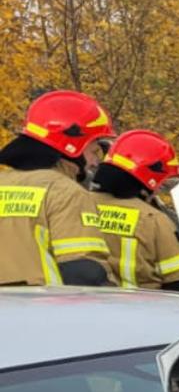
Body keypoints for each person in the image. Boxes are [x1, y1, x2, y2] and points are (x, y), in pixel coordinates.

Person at [0, 90, 114, 286]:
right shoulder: (66, 193)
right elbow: (84, 274)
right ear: (72, 144)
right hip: (46, 313)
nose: (96, 161)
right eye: (94, 150)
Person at [87, 130, 179, 290]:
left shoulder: (81, 203)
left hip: (90, 307)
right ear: (148, 179)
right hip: (146, 310)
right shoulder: (154, 220)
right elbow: (178, 282)